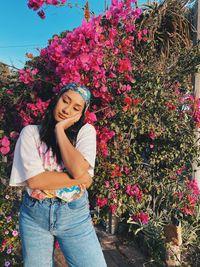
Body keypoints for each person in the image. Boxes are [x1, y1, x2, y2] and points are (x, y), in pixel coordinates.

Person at [9, 82, 107, 267]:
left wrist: (60, 130)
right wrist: (81, 178)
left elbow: (77, 169)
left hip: (75, 217)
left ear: (81, 114)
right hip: (34, 218)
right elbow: (36, 180)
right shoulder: (30, 133)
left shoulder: (85, 132)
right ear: (56, 100)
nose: (67, 109)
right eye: (65, 101)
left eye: (76, 108)